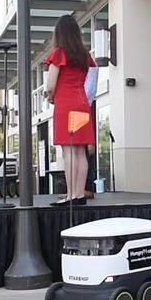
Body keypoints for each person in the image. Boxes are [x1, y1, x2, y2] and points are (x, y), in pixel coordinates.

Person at [44, 15, 95, 206]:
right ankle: (79, 194)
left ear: (59, 33)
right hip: (82, 103)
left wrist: (50, 96)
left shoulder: (58, 53)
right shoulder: (84, 55)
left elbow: (51, 85)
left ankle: (71, 195)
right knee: (80, 151)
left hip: (65, 103)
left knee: (69, 152)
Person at [83, 61, 98, 200]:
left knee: (85, 153)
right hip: (81, 105)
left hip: (84, 105)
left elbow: (89, 92)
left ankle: (87, 187)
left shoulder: (90, 64)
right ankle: (79, 188)